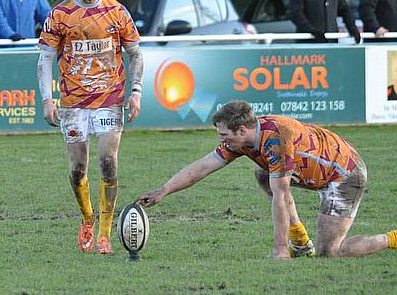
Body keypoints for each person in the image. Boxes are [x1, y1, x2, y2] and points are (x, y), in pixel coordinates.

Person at [137, 100, 397, 259]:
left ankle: (392, 239)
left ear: (242, 130)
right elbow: (203, 167)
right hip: (314, 172)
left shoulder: (277, 139)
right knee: (263, 173)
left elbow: (282, 196)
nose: (221, 140)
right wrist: (164, 190)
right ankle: (300, 241)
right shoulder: (243, 141)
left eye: (224, 134)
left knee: (331, 252)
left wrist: (279, 249)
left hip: (344, 174)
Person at [37, 0, 143, 254]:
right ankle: (87, 218)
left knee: (108, 164)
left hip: (110, 98)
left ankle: (105, 235)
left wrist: (135, 91)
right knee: (77, 169)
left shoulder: (116, 12)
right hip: (73, 103)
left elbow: (135, 52)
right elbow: (45, 58)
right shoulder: (60, 14)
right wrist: (47, 99)